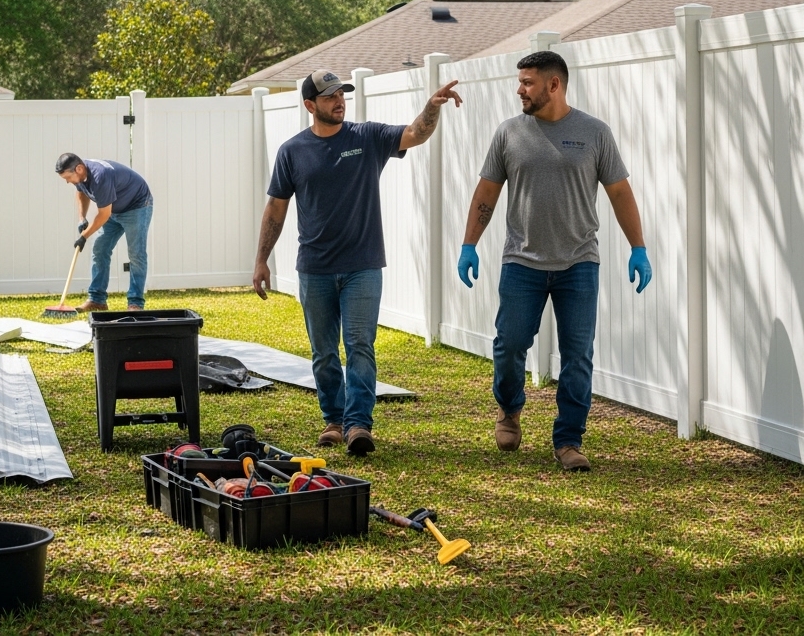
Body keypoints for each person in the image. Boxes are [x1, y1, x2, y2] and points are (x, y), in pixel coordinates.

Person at [457, 50, 652, 471]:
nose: (519, 89)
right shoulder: (509, 133)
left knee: (578, 355)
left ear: (554, 84)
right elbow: (486, 193)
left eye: (527, 82)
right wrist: (468, 243)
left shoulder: (594, 133)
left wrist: (638, 247)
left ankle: (568, 441)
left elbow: (620, 192)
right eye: (519, 81)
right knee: (509, 347)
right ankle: (509, 410)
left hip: (579, 262)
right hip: (521, 262)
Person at [253, 68, 462, 456]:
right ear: (310, 105)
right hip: (314, 267)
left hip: (363, 266)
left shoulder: (366, 137)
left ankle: (358, 425)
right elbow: (276, 209)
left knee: (360, 345)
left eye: (342, 94)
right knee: (324, 351)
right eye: (330, 96)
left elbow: (415, 133)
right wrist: (261, 260)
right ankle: (333, 419)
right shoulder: (292, 151)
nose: (339, 101)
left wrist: (432, 108)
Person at [55, 153, 153, 311]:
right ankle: (97, 300)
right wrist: (82, 218)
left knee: (136, 254)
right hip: (114, 209)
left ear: (79, 169)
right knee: (100, 249)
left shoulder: (100, 176)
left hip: (137, 206)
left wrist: (84, 236)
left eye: (68, 177)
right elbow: (81, 192)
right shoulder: (80, 174)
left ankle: (135, 303)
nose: (67, 182)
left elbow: (103, 215)